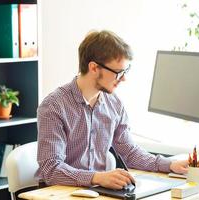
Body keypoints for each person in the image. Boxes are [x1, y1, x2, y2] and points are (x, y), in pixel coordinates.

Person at [36, 30, 188, 190]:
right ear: (94, 68)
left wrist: (171, 165)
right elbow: (51, 169)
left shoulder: (114, 105)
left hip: (98, 192)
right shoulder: (53, 106)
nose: (123, 78)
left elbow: (129, 152)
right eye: (118, 72)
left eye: (125, 71)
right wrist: (98, 177)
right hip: (59, 193)